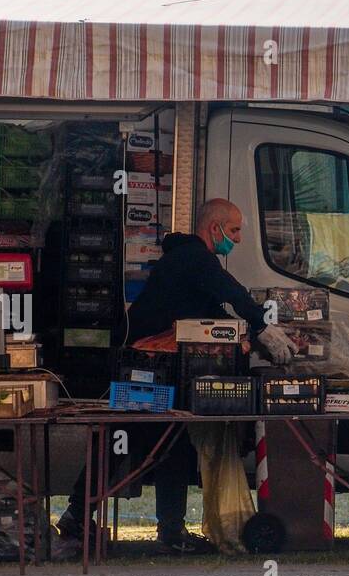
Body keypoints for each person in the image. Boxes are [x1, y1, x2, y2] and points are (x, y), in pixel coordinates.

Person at [56, 199, 297, 554]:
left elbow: (210, 310)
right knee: (130, 442)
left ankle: (153, 527)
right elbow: (232, 293)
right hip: (146, 367)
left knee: (160, 444)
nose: (238, 238)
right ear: (214, 228)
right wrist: (263, 328)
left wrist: (242, 336)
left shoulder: (185, 259)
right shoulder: (196, 258)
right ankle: (89, 518)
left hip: (152, 366)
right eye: (234, 230)